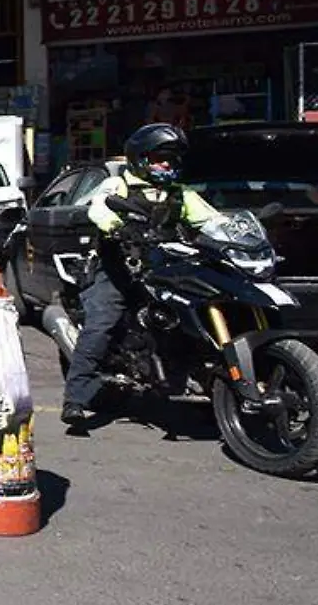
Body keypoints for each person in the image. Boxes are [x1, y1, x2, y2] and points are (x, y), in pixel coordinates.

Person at [60, 122, 218, 427]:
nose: (166, 165)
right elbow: (98, 209)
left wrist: (236, 229)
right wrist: (117, 227)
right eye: (161, 159)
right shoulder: (118, 186)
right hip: (118, 270)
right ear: (141, 159)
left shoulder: (179, 194)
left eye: (171, 160)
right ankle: (76, 399)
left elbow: (211, 219)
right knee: (102, 325)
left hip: (164, 269)